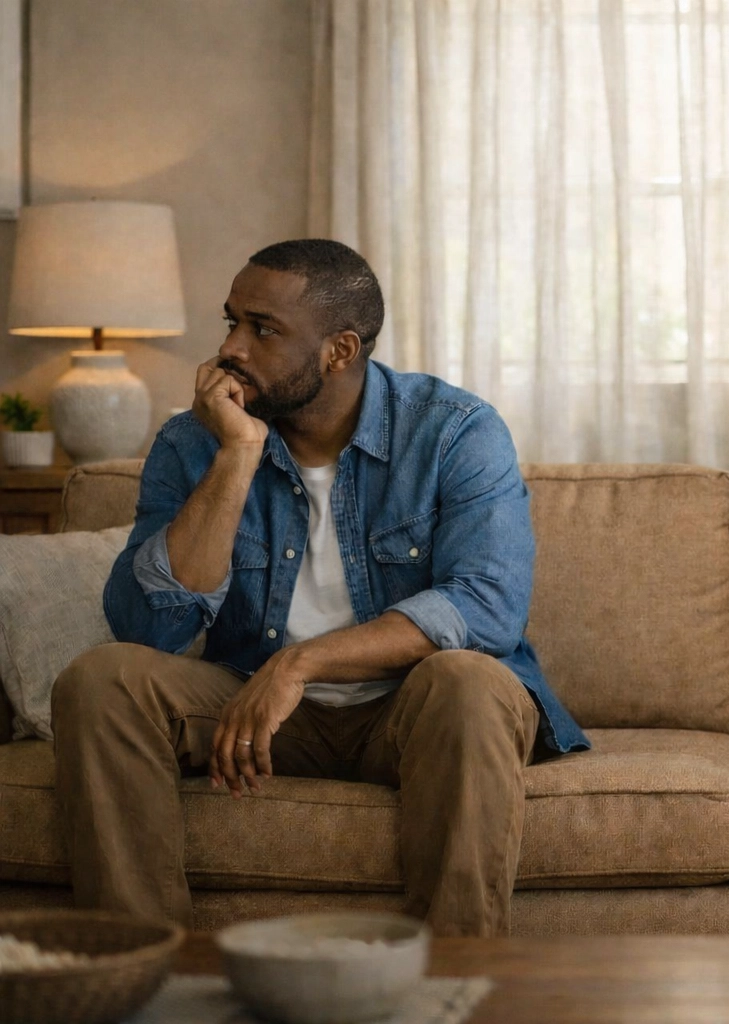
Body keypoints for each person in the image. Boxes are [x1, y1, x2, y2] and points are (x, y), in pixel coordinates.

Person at [50, 238, 589, 936]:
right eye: (231, 322)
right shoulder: (195, 442)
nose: (232, 349)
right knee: (102, 679)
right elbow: (149, 630)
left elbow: (486, 608)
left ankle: (451, 984)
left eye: (263, 329)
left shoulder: (455, 431)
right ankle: (149, 980)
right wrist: (237, 455)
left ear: (339, 350)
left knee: (471, 681)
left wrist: (299, 664)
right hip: (253, 707)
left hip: (408, 711)